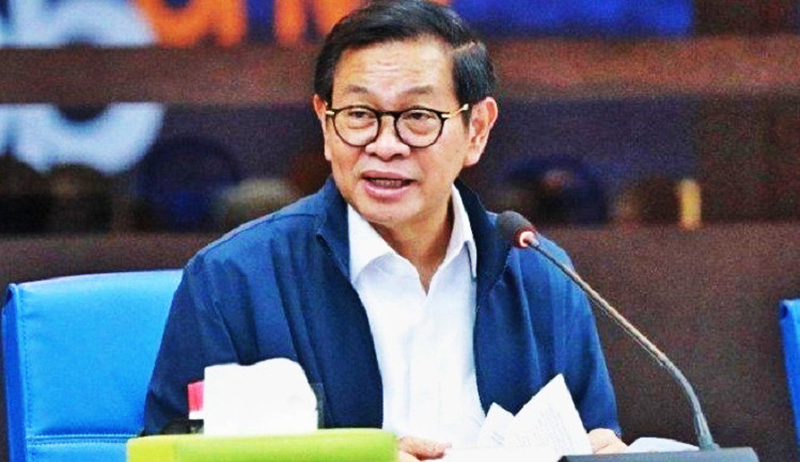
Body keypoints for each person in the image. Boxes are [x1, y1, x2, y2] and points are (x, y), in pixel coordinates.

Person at [144, 0, 626, 459]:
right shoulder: (232, 281)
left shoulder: (541, 275)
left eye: (418, 117)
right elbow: (172, 456)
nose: (386, 144)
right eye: (359, 115)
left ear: (477, 129)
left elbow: (594, 437)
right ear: (326, 125)